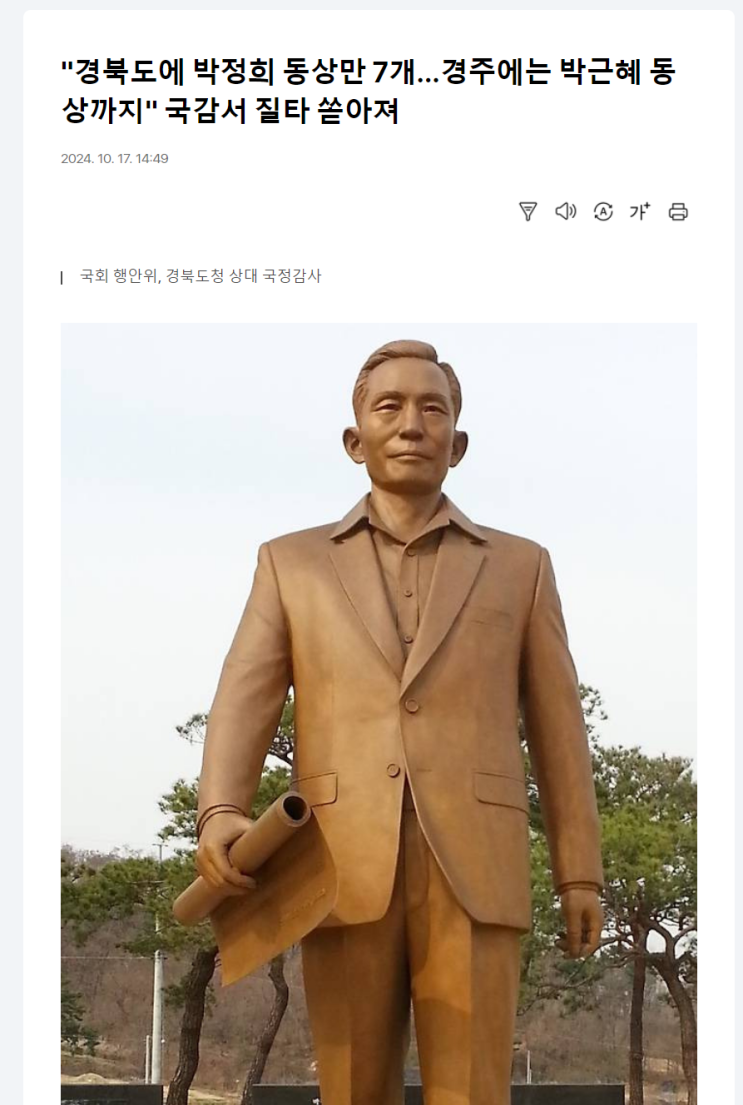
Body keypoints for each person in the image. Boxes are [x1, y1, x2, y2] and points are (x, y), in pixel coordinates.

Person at [195, 339, 604, 1105]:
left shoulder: (520, 567)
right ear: (354, 440)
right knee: (352, 1086)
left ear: (458, 442)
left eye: (432, 409)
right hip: (339, 858)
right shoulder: (291, 563)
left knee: (473, 1088)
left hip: (476, 864)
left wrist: (578, 870)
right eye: (389, 407)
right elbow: (244, 692)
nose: (412, 424)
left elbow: (558, 726)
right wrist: (220, 808)